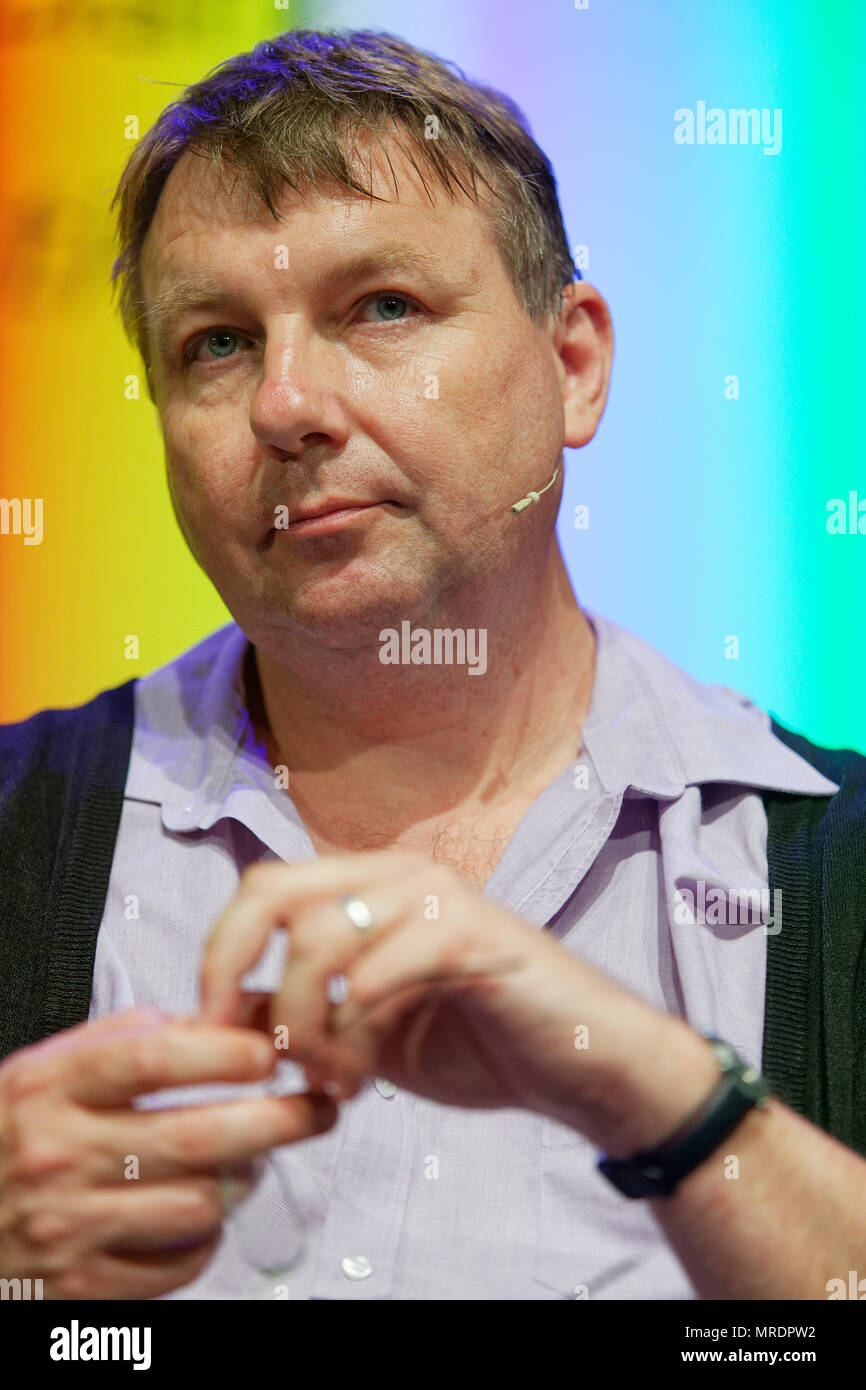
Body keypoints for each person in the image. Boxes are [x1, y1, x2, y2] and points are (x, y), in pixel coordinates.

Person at [1, 28, 865, 1303]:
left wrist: (663, 1097)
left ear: (571, 366)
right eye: (217, 343)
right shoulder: (20, 827)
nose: (285, 404)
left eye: (381, 307)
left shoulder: (832, 867)